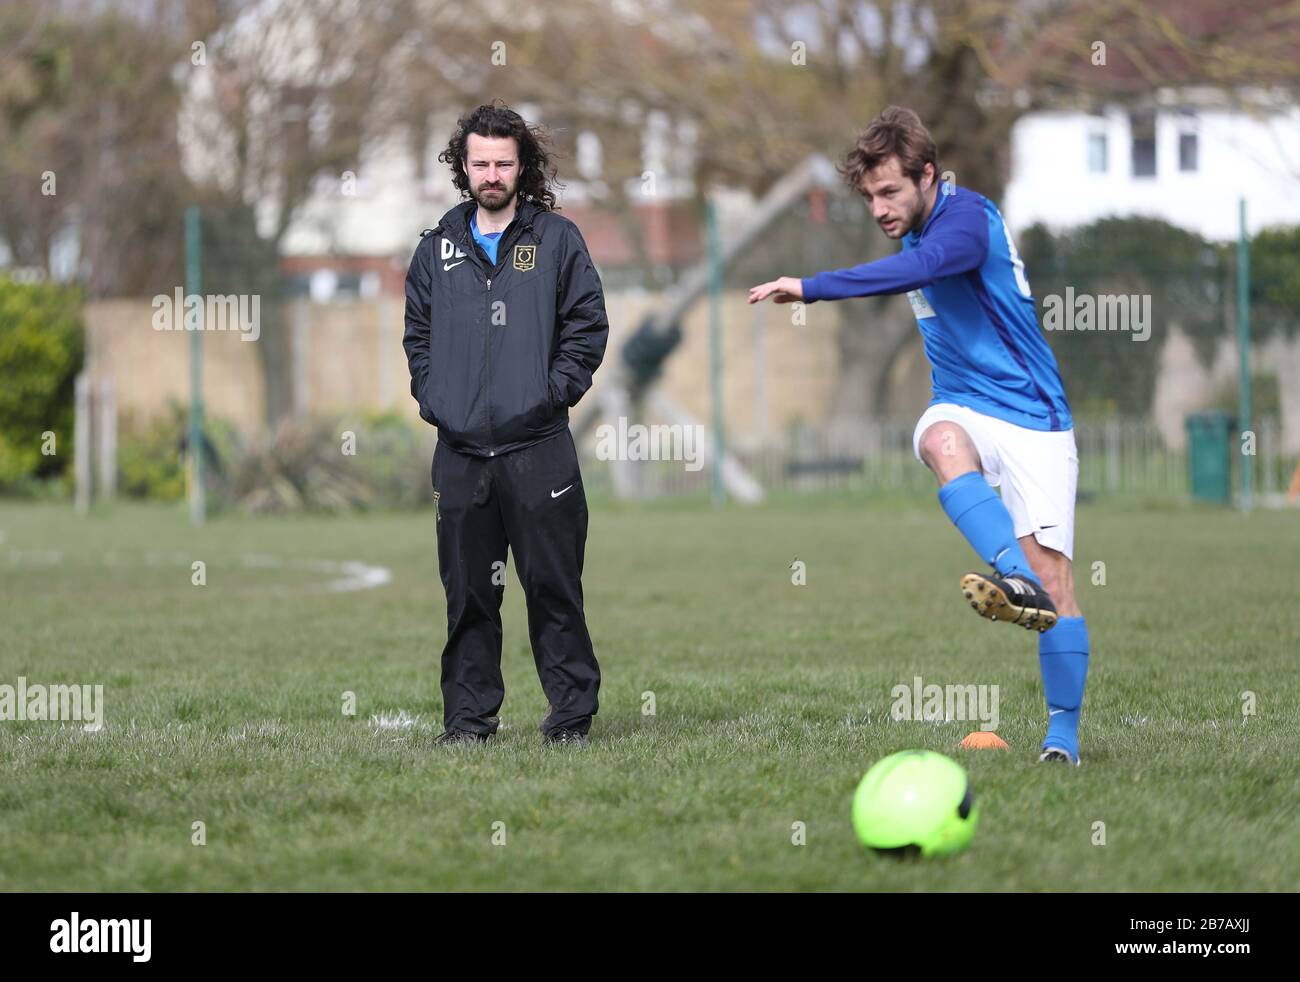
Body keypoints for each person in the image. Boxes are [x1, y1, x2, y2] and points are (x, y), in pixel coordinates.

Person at [749, 106, 1090, 765]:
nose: (878, 208)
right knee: (938, 442)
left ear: (928, 176)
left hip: (1035, 416)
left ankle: (1063, 739)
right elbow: (913, 264)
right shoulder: (913, 232)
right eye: (870, 195)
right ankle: (1016, 579)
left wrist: (813, 287)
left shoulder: (968, 221)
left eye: (890, 191)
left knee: (1060, 583)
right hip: (962, 406)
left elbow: (928, 265)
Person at [402, 102, 609, 747]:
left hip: (538, 450)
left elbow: (588, 325)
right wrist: (436, 399)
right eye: (480, 162)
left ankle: (571, 717)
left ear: (523, 167)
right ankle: (468, 722)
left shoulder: (557, 242)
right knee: (467, 597)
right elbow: (417, 337)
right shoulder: (436, 250)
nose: (492, 173)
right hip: (461, 457)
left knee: (553, 589)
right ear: (463, 167)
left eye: (504, 162)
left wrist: (553, 395)